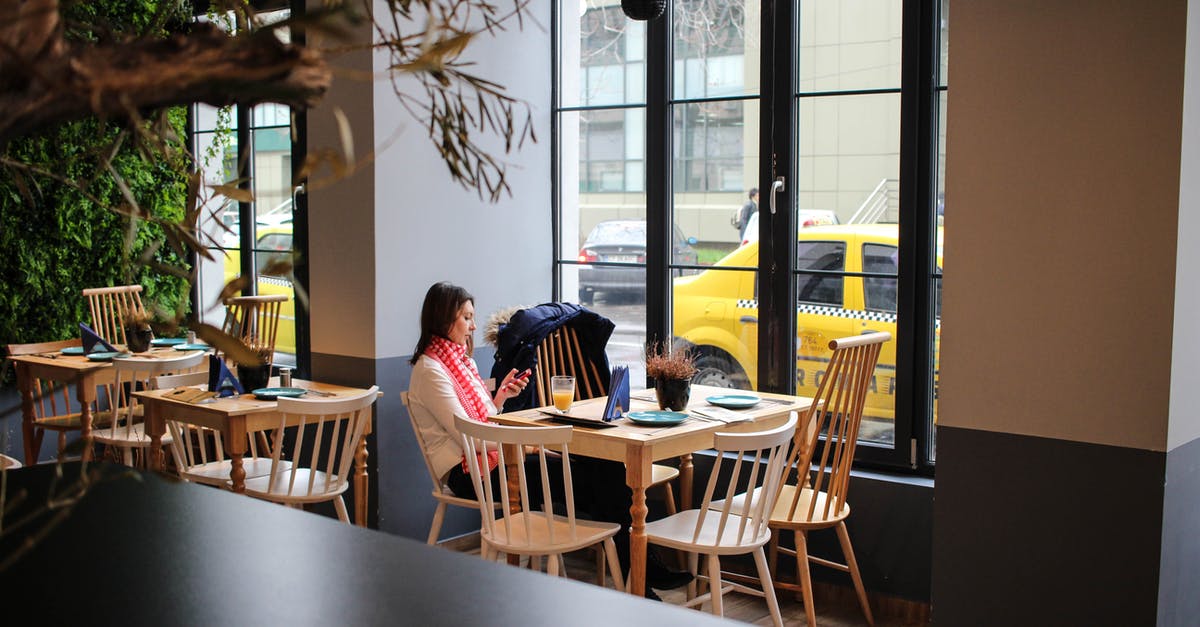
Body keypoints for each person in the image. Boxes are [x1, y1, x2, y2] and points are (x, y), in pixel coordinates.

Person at [406, 282, 690, 597]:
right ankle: (639, 576)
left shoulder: (460, 361)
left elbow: (483, 420)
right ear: (444, 319)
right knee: (596, 478)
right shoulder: (431, 370)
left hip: (495, 458)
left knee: (604, 470)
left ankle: (641, 572)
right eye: (466, 318)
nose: (473, 326)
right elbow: (468, 437)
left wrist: (499, 399)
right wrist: (524, 442)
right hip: (469, 474)